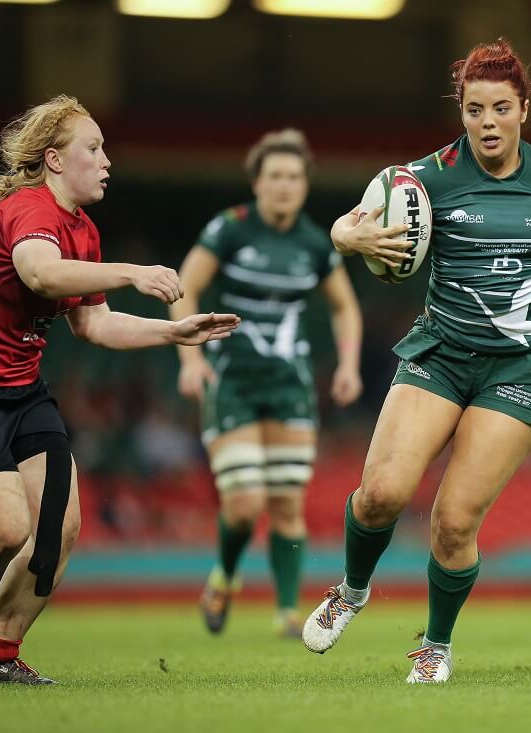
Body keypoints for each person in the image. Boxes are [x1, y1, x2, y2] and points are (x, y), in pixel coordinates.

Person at [298, 38, 531, 683]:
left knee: (452, 522)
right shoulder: (428, 176)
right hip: (440, 355)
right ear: (462, 111)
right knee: (381, 496)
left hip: (521, 368)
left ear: (524, 108)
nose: (488, 123)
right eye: (475, 110)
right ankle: (353, 589)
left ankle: (435, 646)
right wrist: (349, 235)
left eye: (501, 108)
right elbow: (344, 225)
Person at [0, 95, 239, 684]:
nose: (105, 161)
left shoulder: (83, 231)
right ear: (53, 159)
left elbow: (94, 325)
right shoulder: (28, 210)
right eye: (92, 149)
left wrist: (173, 332)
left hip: (21, 391)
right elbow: (40, 273)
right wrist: (131, 273)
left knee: (60, 526)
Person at [170, 128, 363, 637]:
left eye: (294, 177)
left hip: (289, 385)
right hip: (230, 379)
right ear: (257, 182)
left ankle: (286, 612)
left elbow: (344, 307)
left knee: (286, 506)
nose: (284, 186)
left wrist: (347, 364)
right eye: (275, 176)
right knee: (244, 504)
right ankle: (225, 576)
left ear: (304, 185)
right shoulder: (230, 229)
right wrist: (189, 359)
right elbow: (181, 287)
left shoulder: (314, 244)